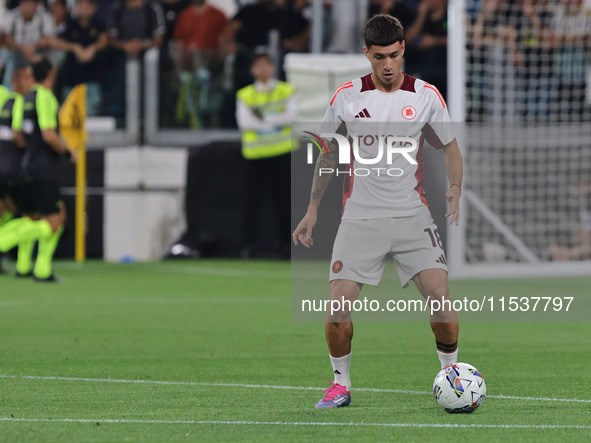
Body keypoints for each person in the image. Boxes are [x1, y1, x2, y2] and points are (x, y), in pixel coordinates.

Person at [292, 14, 463, 408]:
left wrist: (454, 187)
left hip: (411, 215)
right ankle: (340, 384)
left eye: (394, 55)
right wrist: (313, 207)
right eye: (379, 57)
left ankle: (451, 374)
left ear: (403, 48)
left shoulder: (426, 96)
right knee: (336, 308)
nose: (388, 65)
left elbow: (450, 146)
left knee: (440, 297)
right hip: (360, 217)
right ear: (367, 53)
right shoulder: (347, 97)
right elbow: (328, 151)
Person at [0, 57, 77, 282]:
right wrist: (66, 152)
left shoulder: (21, 101)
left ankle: (30, 267)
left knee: (31, 215)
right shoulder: (44, 97)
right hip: (39, 167)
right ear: (51, 74)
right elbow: (48, 134)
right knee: (55, 219)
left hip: (23, 166)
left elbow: (17, 134)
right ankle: (6, 243)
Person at [236, 52, 296, 259]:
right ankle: (247, 247)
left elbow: (291, 116)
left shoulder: (285, 90)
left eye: (266, 65)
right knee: (251, 202)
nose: (262, 69)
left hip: (282, 153)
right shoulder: (245, 95)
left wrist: (263, 118)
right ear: (252, 70)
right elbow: (245, 123)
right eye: (258, 65)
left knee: (285, 202)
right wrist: (275, 120)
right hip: (255, 155)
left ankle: (288, 246)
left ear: (272, 68)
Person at [0, 63, 34, 276]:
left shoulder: (6, 101)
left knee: (6, 211)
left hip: (2, 165)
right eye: (26, 78)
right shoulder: (20, 102)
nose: (30, 83)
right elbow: (19, 135)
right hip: (16, 167)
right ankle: (22, 265)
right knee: (30, 215)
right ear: (16, 81)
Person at [1, 0, 55, 86]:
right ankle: (8, 87)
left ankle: (43, 88)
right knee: (6, 53)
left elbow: (47, 40)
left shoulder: (44, 17)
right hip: (17, 51)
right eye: (26, 3)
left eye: (32, 3)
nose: (29, 6)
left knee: (54, 55)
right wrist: (23, 49)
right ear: (21, 4)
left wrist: (34, 46)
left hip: (37, 52)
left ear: (37, 5)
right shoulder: (12, 15)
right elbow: (8, 40)